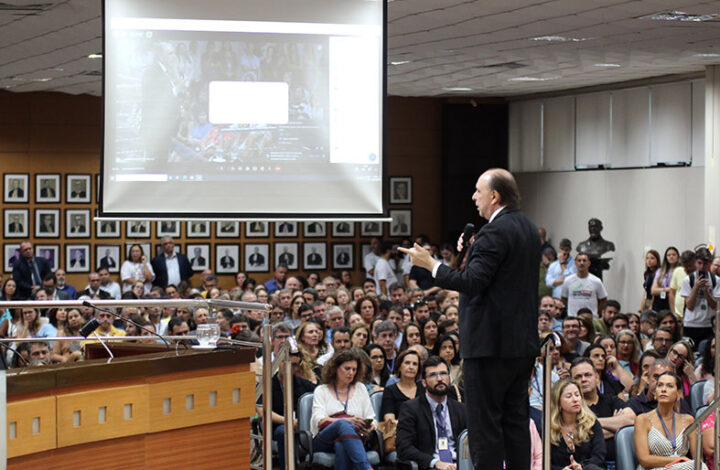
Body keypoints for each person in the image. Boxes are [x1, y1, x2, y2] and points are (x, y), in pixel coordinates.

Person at [399, 168, 540, 469]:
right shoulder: (527, 227)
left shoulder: (494, 231)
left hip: (489, 345)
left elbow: (472, 282)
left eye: (478, 191)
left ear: (495, 196)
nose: (474, 196)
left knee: (485, 428)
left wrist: (431, 264)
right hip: (521, 344)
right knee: (516, 423)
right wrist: (475, 249)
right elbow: (501, 278)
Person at [396, 355, 468, 470]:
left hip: (459, 465)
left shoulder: (460, 409)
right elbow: (403, 447)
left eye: (443, 373)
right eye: (433, 375)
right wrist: (434, 462)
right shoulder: (410, 409)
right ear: (424, 383)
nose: (440, 379)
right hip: (431, 466)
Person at [310, 349, 376, 470]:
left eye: (354, 369)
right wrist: (348, 421)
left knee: (341, 445)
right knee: (342, 424)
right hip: (324, 439)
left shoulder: (360, 388)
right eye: (347, 368)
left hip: (354, 437)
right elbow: (318, 421)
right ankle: (365, 467)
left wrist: (369, 427)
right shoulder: (322, 390)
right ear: (335, 368)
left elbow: (371, 417)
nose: (351, 373)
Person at [634, 372, 707, 470]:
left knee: (700, 466)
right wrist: (679, 460)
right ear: (655, 392)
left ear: (678, 393)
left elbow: (698, 459)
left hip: (682, 467)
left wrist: (681, 463)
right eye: (660, 385)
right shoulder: (642, 419)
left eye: (670, 386)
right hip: (654, 468)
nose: (663, 389)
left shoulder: (688, 420)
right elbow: (644, 460)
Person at [570, 358, 635, 465]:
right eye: (578, 377)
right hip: (584, 465)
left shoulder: (611, 400)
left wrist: (589, 425)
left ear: (596, 377)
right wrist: (615, 426)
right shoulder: (571, 407)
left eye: (588, 375)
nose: (583, 379)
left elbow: (631, 419)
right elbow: (576, 437)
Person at [549, 379, 606, 470]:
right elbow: (544, 462)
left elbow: (599, 456)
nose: (575, 400)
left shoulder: (592, 423)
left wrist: (582, 467)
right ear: (558, 402)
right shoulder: (549, 428)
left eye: (577, 395)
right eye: (569, 396)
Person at [380, 349, 423, 423]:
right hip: (401, 431)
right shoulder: (390, 390)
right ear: (399, 366)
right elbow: (389, 420)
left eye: (415, 364)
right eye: (407, 363)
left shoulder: (424, 388)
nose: (411, 367)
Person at [561, 253, 608, 318]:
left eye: (584, 260)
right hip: (573, 319)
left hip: (591, 319)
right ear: (575, 263)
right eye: (579, 260)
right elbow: (564, 298)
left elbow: (603, 299)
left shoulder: (596, 281)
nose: (581, 263)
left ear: (589, 263)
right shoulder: (568, 280)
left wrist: (596, 313)